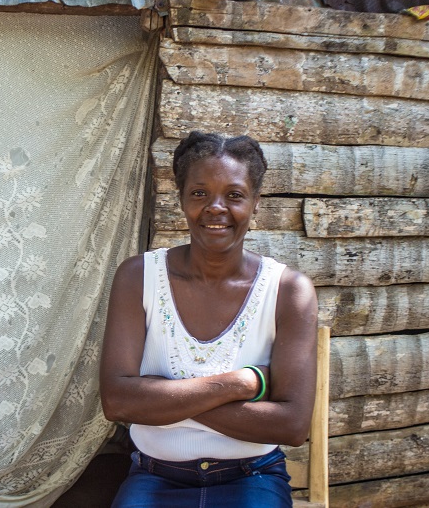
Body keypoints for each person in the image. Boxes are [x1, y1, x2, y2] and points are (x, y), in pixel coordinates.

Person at [100, 131, 318, 507]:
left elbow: (292, 425)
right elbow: (118, 402)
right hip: (154, 474)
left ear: (255, 203)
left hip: (252, 475)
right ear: (182, 199)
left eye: (234, 195)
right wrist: (240, 383)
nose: (216, 207)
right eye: (200, 193)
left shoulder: (288, 291)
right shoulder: (138, 277)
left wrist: (163, 397)